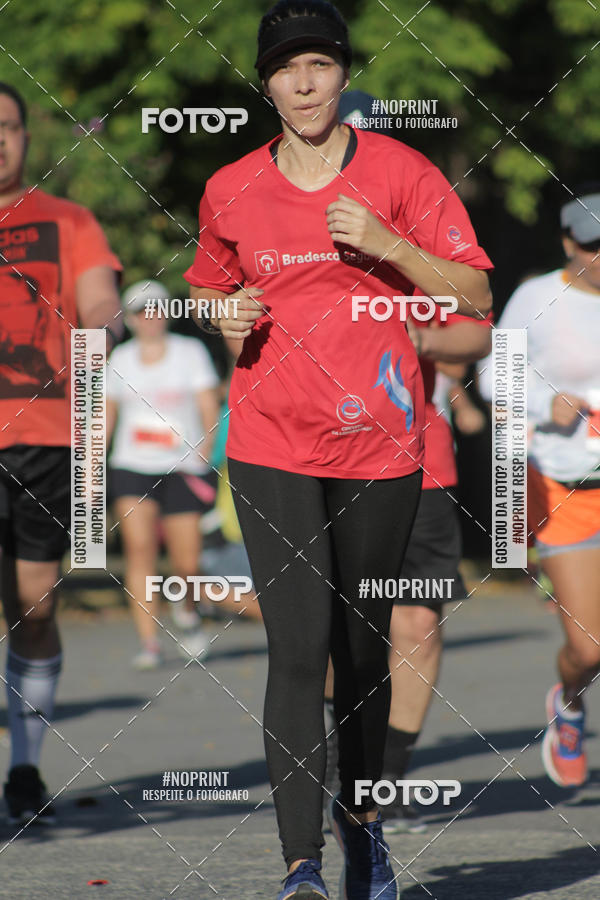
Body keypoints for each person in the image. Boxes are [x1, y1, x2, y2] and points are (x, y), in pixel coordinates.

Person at [184, 3, 492, 898]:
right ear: (267, 83)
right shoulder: (232, 185)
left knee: (361, 651)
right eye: (287, 69)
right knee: (297, 645)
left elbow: (473, 293)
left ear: (343, 73)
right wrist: (220, 311)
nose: (306, 83)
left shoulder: (402, 170)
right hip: (273, 437)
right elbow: (210, 283)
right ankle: (301, 868)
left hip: (381, 446)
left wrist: (390, 243)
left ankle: (363, 835)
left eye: (320, 64)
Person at [333, 91, 493, 836]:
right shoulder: (299, 233)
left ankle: (385, 782)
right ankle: (343, 764)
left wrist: (411, 340)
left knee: (418, 620)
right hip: (327, 461)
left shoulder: (426, 240)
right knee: (339, 625)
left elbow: (478, 333)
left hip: (422, 464)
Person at [0, 82, 123, 824]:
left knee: (37, 607)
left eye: (8, 127)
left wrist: (104, 328)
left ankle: (22, 765)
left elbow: (100, 298)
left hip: (49, 438)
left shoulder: (67, 218)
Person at [481, 186, 600, 789]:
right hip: (564, 486)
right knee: (589, 649)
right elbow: (487, 377)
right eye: (592, 246)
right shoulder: (537, 296)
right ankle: (570, 703)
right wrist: (540, 402)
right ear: (567, 243)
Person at [106, 280, 220, 668]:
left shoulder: (190, 352)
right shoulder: (120, 358)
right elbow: (107, 413)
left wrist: (204, 452)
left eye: (156, 310)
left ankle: (186, 612)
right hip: (132, 465)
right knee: (140, 550)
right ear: (131, 319)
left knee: (186, 561)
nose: (150, 318)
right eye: (141, 311)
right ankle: (149, 641)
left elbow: (208, 406)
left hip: (182, 466)